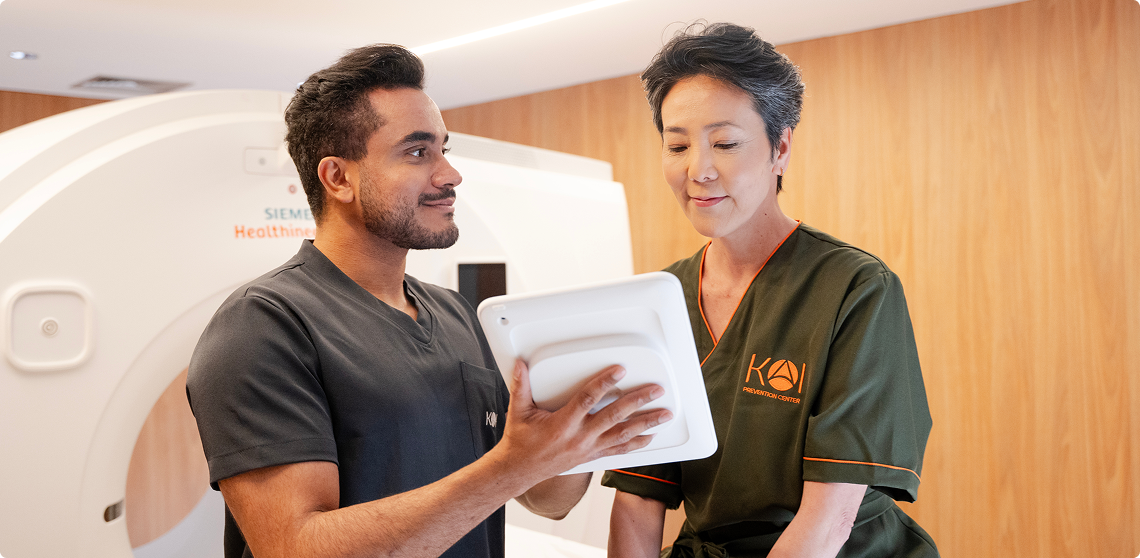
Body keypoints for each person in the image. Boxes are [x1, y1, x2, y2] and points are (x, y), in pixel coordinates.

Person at [186, 44, 672, 558]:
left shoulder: (459, 315)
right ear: (338, 178)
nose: (450, 174)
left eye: (445, 149)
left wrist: (584, 423)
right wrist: (511, 465)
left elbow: (547, 499)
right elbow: (294, 547)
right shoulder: (264, 325)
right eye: (418, 153)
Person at [602, 23, 938, 557]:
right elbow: (638, 502)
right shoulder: (660, 301)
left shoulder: (855, 289)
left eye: (726, 143)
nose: (699, 170)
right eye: (677, 144)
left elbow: (827, 521)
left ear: (780, 148)